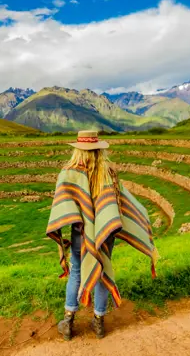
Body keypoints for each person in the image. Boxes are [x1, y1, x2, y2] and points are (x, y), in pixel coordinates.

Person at [46, 130, 158, 340]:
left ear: (77, 150)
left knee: (77, 271)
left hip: (80, 235)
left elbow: (63, 206)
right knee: (103, 270)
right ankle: (98, 322)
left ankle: (68, 322)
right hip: (105, 234)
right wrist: (140, 216)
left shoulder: (68, 173)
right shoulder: (109, 173)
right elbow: (120, 204)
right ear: (99, 150)